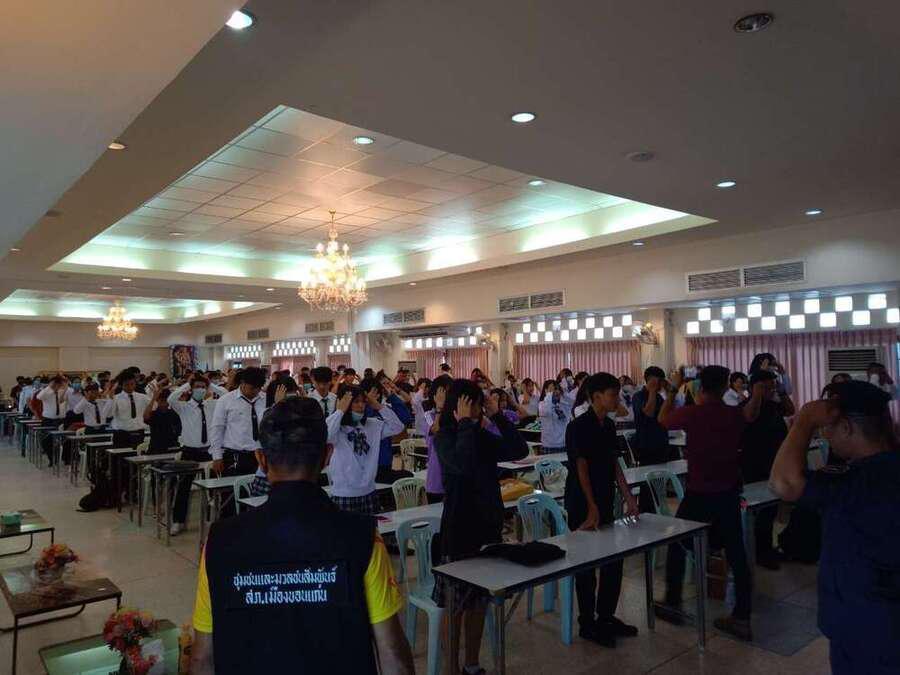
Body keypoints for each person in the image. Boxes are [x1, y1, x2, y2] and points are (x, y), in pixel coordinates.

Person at [190, 397, 414, 675]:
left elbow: (201, 659)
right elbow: (393, 658)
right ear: (327, 456)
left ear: (261, 459)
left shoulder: (219, 542)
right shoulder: (364, 537)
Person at [770, 380, 900, 674]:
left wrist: (805, 420)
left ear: (846, 428)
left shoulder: (855, 483)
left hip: (867, 627)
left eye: (827, 428)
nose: (825, 435)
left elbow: (783, 482)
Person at [655, 365, 764, 641]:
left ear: (699, 387)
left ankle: (673, 602)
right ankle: (742, 617)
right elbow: (751, 414)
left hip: (699, 492)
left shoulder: (693, 413)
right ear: (725, 386)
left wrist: (673, 389)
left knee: (678, 543)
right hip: (728, 491)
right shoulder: (733, 413)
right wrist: (755, 392)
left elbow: (662, 419)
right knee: (736, 553)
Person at [433, 379, 528, 674]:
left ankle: (471, 665)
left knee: (477, 603)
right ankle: (451, 668)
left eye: (478, 404)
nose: (477, 409)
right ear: (459, 406)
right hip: (458, 532)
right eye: (472, 404)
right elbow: (461, 465)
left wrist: (497, 415)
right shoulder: (445, 436)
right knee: (455, 607)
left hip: (487, 529)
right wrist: (464, 424)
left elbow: (518, 450)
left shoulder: (480, 434)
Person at [565, 373, 640, 647]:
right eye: (612, 394)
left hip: (605, 499)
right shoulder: (577, 427)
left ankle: (606, 616)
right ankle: (587, 622)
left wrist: (629, 497)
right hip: (582, 503)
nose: (617, 399)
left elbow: (614, 463)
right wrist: (591, 506)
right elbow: (581, 467)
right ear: (596, 396)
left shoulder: (608, 425)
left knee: (612, 560)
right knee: (586, 564)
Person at [739, 369, 795, 569]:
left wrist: (781, 391)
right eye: (766, 386)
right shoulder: (746, 405)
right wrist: (757, 394)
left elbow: (790, 410)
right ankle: (760, 551)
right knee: (760, 509)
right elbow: (749, 417)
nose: (770, 390)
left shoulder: (774, 404)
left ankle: (766, 548)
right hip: (754, 463)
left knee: (771, 507)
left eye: (772, 386)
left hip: (775, 461)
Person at [326, 382, 404, 514]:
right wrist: (340, 411)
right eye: (356, 402)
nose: (361, 406)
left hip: (369, 491)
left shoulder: (372, 425)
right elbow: (326, 435)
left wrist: (378, 406)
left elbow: (397, 427)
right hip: (344, 494)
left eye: (363, 402)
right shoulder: (337, 427)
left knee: (371, 527)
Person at [168, 375, 218, 535]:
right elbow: (171, 398)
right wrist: (187, 385)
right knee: (183, 488)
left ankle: (212, 521)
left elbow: (225, 394)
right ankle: (178, 521)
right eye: (197, 387)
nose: (200, 390)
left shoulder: (212, 405)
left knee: (213, 487)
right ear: (191, 389)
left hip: (208, 452)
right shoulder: (183, 407)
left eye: (203, 387)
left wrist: (211, 386)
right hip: (189, 452)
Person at [210, 367, 267, 480]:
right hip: (235, 456)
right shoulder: (226, 400)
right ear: (243, 383)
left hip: (260, 456)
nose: (255, 392)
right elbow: (217, 429)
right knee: (233, 489)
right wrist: (217, 456)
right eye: (252, 388)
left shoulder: (265, 400)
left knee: (259, 489)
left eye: (259, 388)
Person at [631, 367, 671, 466]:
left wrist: (669, 392)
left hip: (661, 441)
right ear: (649, 380)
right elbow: (649, 413)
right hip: (646, 444)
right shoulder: (638, 396)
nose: (661, 384)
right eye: (659, 381)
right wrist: (652, 391)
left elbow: (668, 415)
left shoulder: (659, 397)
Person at [423, 375, 452, 503]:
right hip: (436, 478)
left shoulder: (455, 415)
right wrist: (440, 408)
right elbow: (436, 430)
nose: (446, 397)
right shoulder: (429, 415)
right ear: (434, 396)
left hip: (453, 476)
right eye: (442, 393)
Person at [108, 371, 150, 449]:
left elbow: (154, 407)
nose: (130, 387)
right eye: (126, 385)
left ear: (135, 384)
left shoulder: (143, 397)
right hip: (121, 434)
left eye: (132, 384)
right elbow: (108, 414)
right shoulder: (116, 398)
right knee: (121, 456)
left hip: (138, 433)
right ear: (121, 385)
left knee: (138, 455)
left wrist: (155, 396)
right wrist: (110, 399)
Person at [538, 379, 572, 453]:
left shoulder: (563, 404)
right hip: (548, 445)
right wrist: (550, 396)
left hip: (563, 444)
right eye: (551, 389)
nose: (555, 392)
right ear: (545, 391)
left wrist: (563, 394)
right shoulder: (542, 405)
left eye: (556, 389)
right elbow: (547, 410)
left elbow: (571, 404)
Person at [143, 388, 182, 453]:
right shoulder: (153, 414)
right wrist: (153, 398)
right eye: (161, 401)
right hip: (156, 448)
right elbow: (145, 416)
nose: (164, 404)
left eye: (166, 401)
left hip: (172, 446)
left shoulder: (174, 413)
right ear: (157, 401)